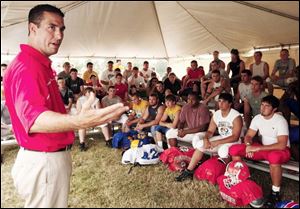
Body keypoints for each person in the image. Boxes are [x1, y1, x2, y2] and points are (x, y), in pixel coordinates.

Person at [3, 4, 128, 208]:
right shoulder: (28, 66)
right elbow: (33, 119)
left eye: (62, 29)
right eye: (51, 27)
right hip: (43, 161)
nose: (59, 35)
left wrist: (76, 115)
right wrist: (79, 121)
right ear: (32, 28)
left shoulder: (38, 63)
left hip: (44, 158)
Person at [229, 95, 290, 208]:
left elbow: (282, 145)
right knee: (234, 149)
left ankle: (275, 192)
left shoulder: (280, 121)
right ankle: (242, 181)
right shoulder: (257, 118)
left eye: (267, 106)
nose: (263, 108)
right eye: (262, 104)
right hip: (263, 149)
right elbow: (248, 136)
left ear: (274, 109)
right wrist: (248, 145)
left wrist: (257, 148)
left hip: (280, 151)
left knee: (274, 157)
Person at [175, 93, 242, 182]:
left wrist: (217, 142)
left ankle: (228, 176)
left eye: (224, 102)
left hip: (233, 141)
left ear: (230, 104)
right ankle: (189, 171)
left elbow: (235, 137)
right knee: (200, 144)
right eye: (219, 101)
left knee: (223, 150)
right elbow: (210, 131)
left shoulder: (236, 116)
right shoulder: (217, 114)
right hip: (222, 138)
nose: (220, 104)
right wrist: (206, 139)